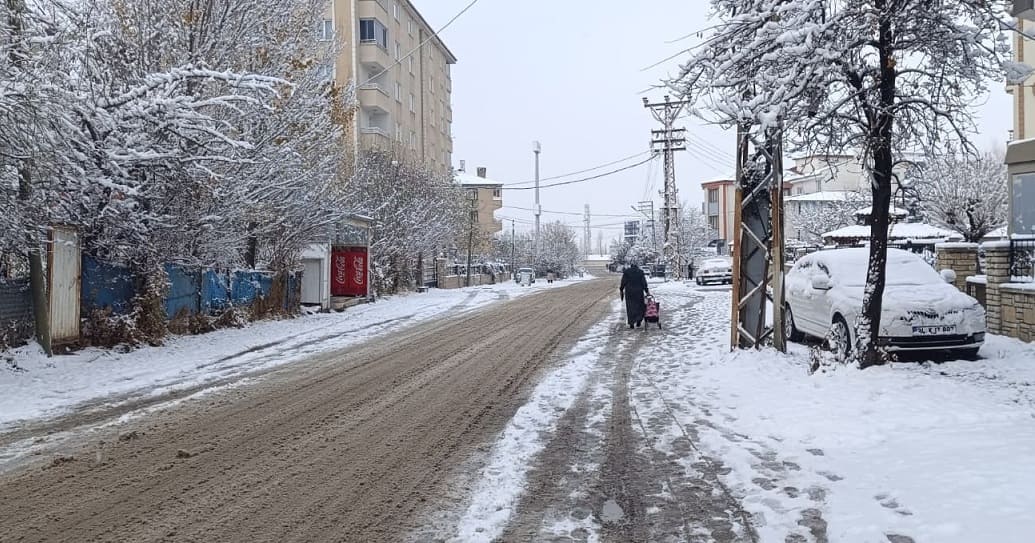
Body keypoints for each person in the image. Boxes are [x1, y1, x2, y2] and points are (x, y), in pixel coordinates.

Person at [619, 261, 650, 329]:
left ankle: (631, 323)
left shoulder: (627, 272)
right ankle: (638, 321)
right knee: (639, 306)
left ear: (631, 266)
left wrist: (621, 288)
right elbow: (643, 282)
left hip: (629, 292)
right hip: (638, 292)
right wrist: (646, 290)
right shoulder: (640, 272)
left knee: (630, 307)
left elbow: (623, 281)